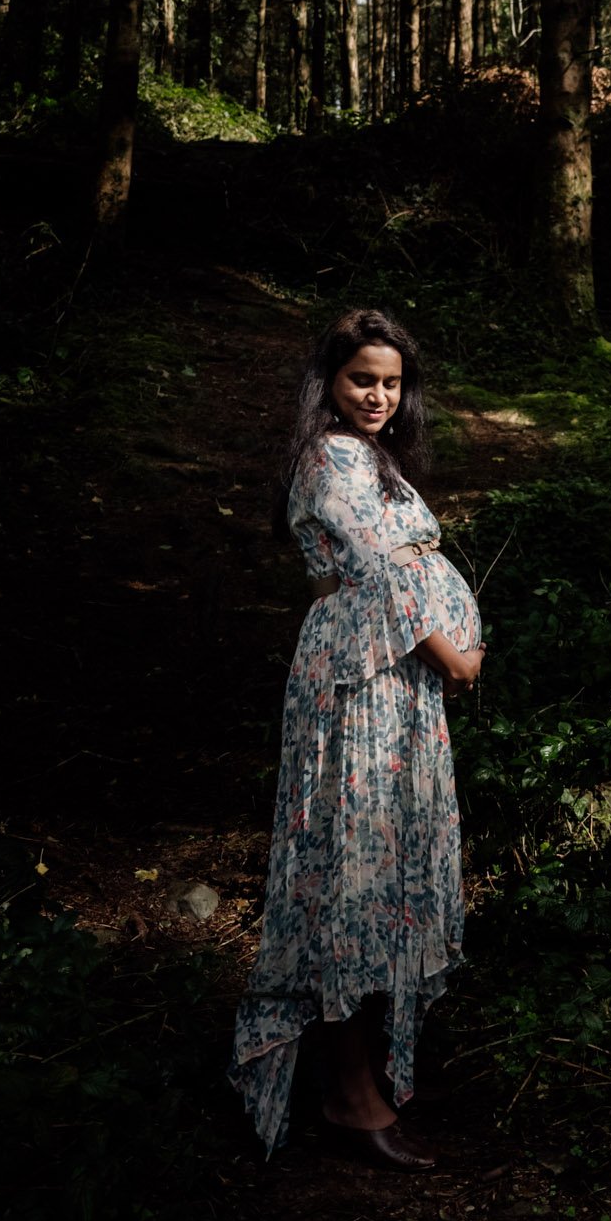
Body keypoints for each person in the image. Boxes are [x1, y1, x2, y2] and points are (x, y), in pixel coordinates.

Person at [229, 307, 484, 1169]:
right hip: (361, 688)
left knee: (376, 870)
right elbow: (382, 579)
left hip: (386, 681)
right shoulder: (329, 458)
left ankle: (360, 1076)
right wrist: (458, 656)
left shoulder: (372, 458)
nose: (377, 394)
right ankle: (349, 1093)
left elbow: (379, 575)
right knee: (344, 871)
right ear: (329, 384)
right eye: (360, 379)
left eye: (390, 381)